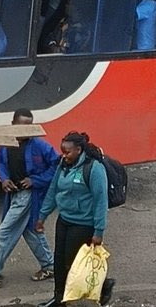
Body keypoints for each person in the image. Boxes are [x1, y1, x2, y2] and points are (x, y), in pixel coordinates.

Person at [0, 109, 59, 292]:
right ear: (13, 124)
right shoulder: (6, 143)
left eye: (29, 127)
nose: (25, 131)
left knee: (4, 232)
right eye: (21, 126)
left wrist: (35, 180)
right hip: (14, 193)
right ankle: (49, 266)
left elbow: (56, 166)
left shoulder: (40, 146)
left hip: (29, 195)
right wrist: (4, 179)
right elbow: (0, 163)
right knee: (30, 231)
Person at [35, 131, 111, 307]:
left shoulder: (94, 168)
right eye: (62, 151)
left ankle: (104, 285)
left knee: (74, 263)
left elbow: (101, 201)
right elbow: (53, 190)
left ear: (79, 149)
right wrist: (42, 216)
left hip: (84, 223)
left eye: (68, 152)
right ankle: (58, 298)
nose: (64, 155)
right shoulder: (64, 164)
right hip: (65, 220)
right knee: (59, 261)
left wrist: (99, 231)